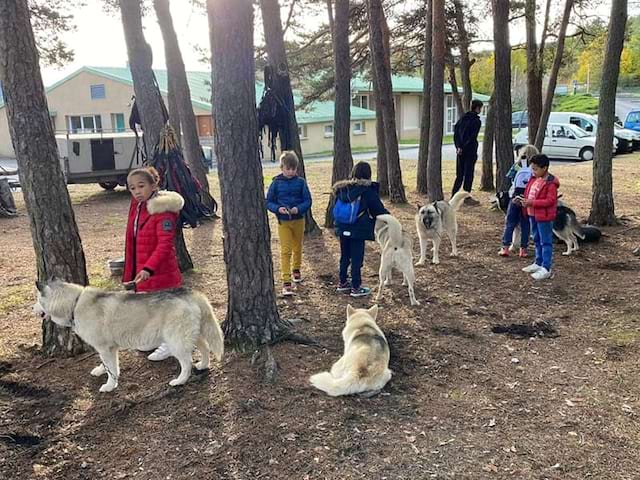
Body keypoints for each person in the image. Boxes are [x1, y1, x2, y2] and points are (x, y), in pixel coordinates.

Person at [122, 166, 184, 361]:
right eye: (132, 188)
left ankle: (172, 342)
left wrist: (149, 267)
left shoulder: (163, 210)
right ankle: (156, 337)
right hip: (143, 269)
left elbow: (165, 244)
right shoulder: (138, 207)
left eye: (141, 186)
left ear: (154, 184)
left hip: (160, 271)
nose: (137, 191)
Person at [332, 161, 389, 298]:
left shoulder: (342, 189)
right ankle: (356, 287)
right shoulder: (367, 191)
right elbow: (378, 210)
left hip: (342, 227)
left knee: (345, 255)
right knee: (357, 258)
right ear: (368, 175)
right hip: (358, 229)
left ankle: (342, 282)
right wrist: (390, 219)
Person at [266, 151, 312, 296]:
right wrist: (278, 209)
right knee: (285, 250)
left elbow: (308, 201)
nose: (291, 171)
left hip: (298, 220)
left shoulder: (301, 182)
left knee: (297, 247)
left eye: (293, 169)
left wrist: (298, 209)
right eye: (288, 168)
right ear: (282, 168)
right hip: (283, 222)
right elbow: (269, 201)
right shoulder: (275, 183)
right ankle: (286, 281)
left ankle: (296, 269)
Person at [517, 154, 559, 281]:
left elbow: (550, 201)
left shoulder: (550, 183)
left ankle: (546, 267)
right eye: (532, 168)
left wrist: (532, 203)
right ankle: (538, 262)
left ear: (544, 168)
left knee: (545, 241)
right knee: (536, 239)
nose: (533, 171)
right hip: (532, 214)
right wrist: (523, 200)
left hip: (544, 216)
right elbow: (529, 192)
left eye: (535, 169)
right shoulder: (534, 179)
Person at [499, 145, 538, 257]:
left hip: (515, 198)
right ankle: (523, 249)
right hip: (527, 199)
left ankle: (505, 247)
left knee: (510, 223)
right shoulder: (535, 168)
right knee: (525, 224)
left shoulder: (517, 166)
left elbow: (509, 177)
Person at [452, 99, 483, 204]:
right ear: (477, 108)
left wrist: (458, 147)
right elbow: (472, 137)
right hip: (469, 151)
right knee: (468, 174)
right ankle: (466, 196)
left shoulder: (462, 119)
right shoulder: (476, 121)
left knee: (459, 175)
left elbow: (456, 132)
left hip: (460, 151)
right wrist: (464, 147)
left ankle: (454, 195)